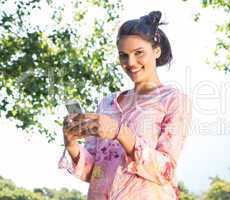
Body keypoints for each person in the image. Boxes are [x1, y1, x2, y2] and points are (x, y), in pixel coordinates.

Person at [58, 11, 192, 200]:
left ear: (156, 51)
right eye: (123, 55)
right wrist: (71, 143)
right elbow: (93, 173)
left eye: (139, 53)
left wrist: (120, 132)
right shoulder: (107, 103)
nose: (130, 63)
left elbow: (165, 170)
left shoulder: (174, 100)